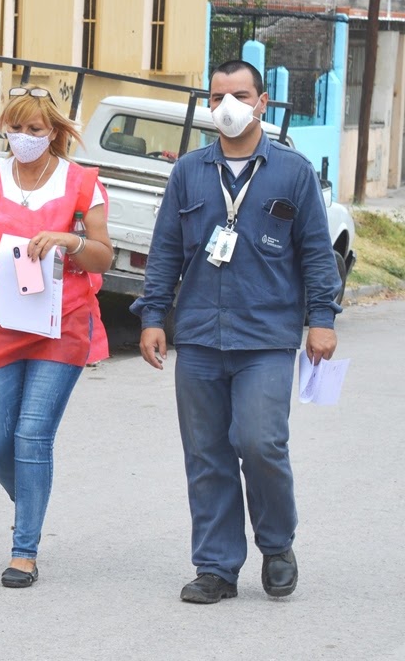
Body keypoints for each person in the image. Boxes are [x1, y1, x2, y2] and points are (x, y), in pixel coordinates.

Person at [131, 60, 342, 603]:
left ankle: (276, 546)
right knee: (205, 453)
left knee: (259, 441)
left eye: (240, 95)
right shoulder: (188, 172)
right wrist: (153, 317)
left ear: (261, 103)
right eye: (218, 96)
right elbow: (166, 252)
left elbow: (317, 251)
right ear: (208, 104)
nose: (228, 105)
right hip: (199, 335)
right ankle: (217, 567)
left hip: (267, 337)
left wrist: (322, 319)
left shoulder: (291, 172)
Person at [0, 85, 112, 588]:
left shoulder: (81, 184)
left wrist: (71, 240)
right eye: (15, 128)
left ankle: (24, 551)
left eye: (34, 129)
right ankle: (32, 498)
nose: (23, 138)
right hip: (0, 325)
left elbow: (103, 254)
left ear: (53, 132)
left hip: (63, 325)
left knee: (32, 436)